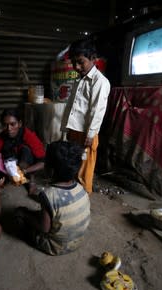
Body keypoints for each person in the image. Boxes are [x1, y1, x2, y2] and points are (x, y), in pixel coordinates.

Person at [14, 140, 90, 256]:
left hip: (56, 246)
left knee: (19, 212)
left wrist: (26, 215)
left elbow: (44, 229)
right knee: (51, 212)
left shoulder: (48, 195)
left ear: (51, 171)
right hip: (78, 241)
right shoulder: (81, 188)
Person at [60, 39, 111, 193]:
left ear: (93, 59)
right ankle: (73, 195)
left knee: (84, 169)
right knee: (74, 164)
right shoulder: (79, 80)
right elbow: (72, 107)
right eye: (74, 63)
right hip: (75, 131)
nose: (76, 67)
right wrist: (66, 128)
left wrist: (90, 133)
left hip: (87, 133)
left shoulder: (100, 82)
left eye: (80, 62)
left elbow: (97, 110)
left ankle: (83, 198)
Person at [0, 108, 45, 183]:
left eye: (13, 124)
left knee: (25, 149)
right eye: (5, 125)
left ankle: (29, 181)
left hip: (25, 169)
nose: (9, 128)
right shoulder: (1, 137)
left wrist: (24, 171)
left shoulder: (28, 136)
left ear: (19, 124)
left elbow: (43, 162)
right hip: (9, 169)